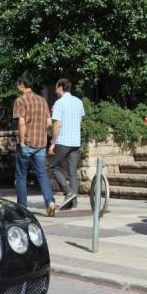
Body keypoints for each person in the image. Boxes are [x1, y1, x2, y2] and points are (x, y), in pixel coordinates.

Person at [13, 74, 56, 216]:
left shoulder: (20, 100)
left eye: (17, 84)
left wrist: (22, 141)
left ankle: (23, 208)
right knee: (42, 174)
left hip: (27, 142)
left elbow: (21, 122)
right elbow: (49, 123)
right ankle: (50, 202)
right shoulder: (42, 100)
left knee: (21, 176)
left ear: (21, 85)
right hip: (41, 143)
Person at [49, 78, 85, 210]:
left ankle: (68, 192)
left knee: (53, 167)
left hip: (63, 141)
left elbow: (56, 124)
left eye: (56, 86)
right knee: (72, 172)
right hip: (75, 141)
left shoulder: (59, 103)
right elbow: (80, 120)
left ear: (60, 87)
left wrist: (53, 142)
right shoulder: (78, 102)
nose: (55, 89)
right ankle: (73, 203)